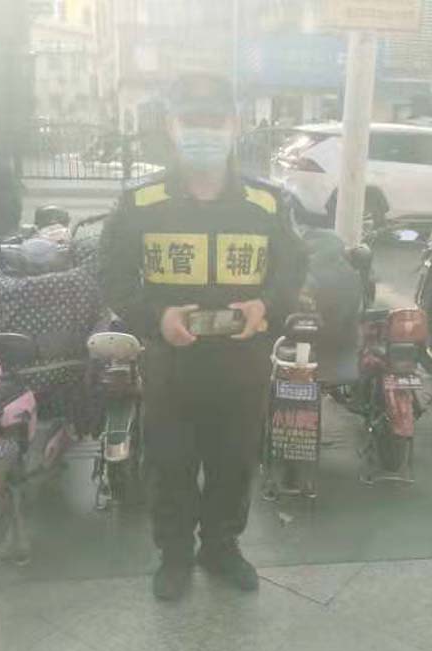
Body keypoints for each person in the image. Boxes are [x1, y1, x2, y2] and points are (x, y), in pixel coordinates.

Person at [100, 72, 306, 601]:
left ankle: (221, 548)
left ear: (234, 126)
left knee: (234, 463)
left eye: (214, 121)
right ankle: (174, 556)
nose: (204, 131)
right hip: (172, 366)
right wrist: (156, 318)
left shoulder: (268, 203)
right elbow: (112, 278)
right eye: (192, 121)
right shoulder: (139, 203)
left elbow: (292, 271)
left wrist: (266, 306)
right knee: (169, 465)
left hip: (242, 365)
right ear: (172, 127)